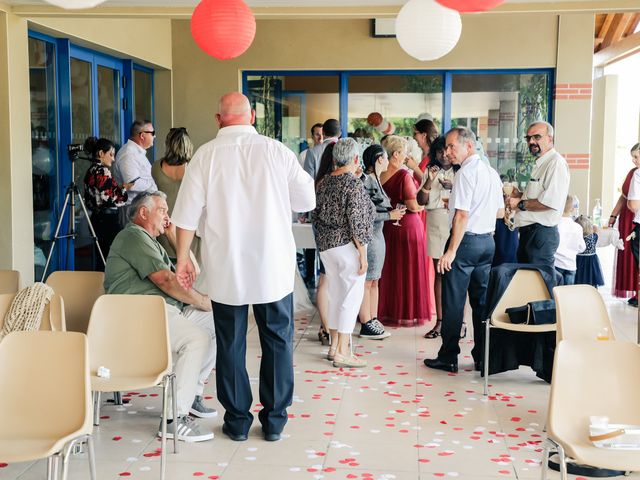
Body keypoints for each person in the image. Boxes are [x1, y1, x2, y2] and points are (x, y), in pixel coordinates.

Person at [172, 92, 315, 443]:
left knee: (230, 344)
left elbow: (185, 218)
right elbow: (306, 200)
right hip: (272, 267)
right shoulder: (277, 151)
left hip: (226, 268)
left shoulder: (204, 156)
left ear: (219, 119)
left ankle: (236, 422)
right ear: (252, 116)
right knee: (277, 341)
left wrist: (181, 261)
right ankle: (275, 421)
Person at [104, 191, 217, 442]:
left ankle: (190, 395)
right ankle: (173, 419)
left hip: (161, 311)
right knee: (196, 339)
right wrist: (202, 302)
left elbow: (192, 272)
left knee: (218, 323)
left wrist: (170, 233)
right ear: (143, 213)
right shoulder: (133, 236)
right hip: (140, 314)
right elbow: (166, 281)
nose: (168, 215)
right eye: (163, 210)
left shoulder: (152, 240)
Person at [424, 127, 503, 374]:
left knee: (453, 302)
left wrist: (450, 251)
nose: (447, 152)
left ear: (468, 146)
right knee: (480, 303)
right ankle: (481, 357)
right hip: (487, 243)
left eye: (451, 147)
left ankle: (448, 356)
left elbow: (461, 215)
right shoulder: (491, 172)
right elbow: (500, 212)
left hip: (465, 242)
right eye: (446, 147)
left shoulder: (466, 174)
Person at [313, 138, 375, 367]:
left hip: (328, 248)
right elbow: (357, 223)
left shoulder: (324, 182)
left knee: (337, 296)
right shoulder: (353, 184)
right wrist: (363, 254)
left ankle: (333, 345)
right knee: (351, 298)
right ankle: (342, 352)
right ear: (356, 159)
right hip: (347, 247)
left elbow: (315, 216)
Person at [377, 135, 433, 326]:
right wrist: (423, 206)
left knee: (391, 271)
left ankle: (389, 311)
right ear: (396, 154)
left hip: (387, 228)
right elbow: (413, 204)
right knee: (408, 272)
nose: (406, 157)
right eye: (404, 153)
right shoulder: (403, 175)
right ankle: (408, 311)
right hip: (408, 228)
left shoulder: (379, 175)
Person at [357, 144, 404, 340]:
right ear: (378, 159)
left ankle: (373, 319)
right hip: (371, 237)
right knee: (367, 282)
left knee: (374, 280)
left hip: (378, 236)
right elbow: (364, 213)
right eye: (385, 158)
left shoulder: (375, 179)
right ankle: (366, 321)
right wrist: (389, 215)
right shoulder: (366, 181)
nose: (388, 161)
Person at [508, 121, 570, 267]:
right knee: (529, 284)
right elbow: (540, 195)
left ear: (550, 138)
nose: (531, 142)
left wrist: (519, 204)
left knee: (540, 285)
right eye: (528, 138)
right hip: (530, 234)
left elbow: (549, 202)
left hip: (540, 235)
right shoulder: (541, 163)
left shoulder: (556, 163)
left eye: (537, 137)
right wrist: (520, 195)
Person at [417, 135, 458, 339]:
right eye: (439, 151)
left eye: (447, 150)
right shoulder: (429, 171)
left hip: (454, 224)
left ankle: (460, 322)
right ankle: (440, 322)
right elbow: (420, 200)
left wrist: (454, 188)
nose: (443, 155)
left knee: (457, 276)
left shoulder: (461, 172)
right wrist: (429, 182)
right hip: (434, 223)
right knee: (439, 274)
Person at [83, 136, 132, 270]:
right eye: (111, 154)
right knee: (112, 258)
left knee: (101, 256)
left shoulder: (90, 171)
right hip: (107, 220)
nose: (113, 158)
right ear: (101, 154)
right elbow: (112, 197)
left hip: (96, 218)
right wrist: (124, 189)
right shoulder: (102, 171)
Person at [151, 127, 196, 260]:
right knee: (190, 262)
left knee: (167, 262)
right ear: (188, 145)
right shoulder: (194, 167)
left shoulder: (156, 167)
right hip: (187, 222)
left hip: (164, 221)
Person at [608, 143, 640, 306]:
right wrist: (613, 215)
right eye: (632, 157)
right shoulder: (632, 173)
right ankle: (635, 291)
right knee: (629, 254)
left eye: (636, 157)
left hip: (636, 217)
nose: (634, 161)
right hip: (626, 218)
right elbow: (624, 196)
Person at [113, 119, 158, 225]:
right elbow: (132, 184)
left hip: (142, 207)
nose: (154, 136)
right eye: (152, 133)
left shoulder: (138, 153)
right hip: (133, 209)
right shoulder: (128, 154)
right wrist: (153, 183)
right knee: (135, 240)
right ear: (142, 135)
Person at [554, 195, 586, 286]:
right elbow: (582, 248)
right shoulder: (578, 227)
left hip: (556, 264)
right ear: (572, 209)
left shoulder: (555, 225)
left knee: (556, 293)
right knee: (568, 293)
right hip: (571, 265)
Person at [574, 215, 605, 288]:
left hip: (579, 262)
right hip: (591, 264)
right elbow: (596, 229)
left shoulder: (577, 238)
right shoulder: (592, 237)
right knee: (591, 281)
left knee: (579, 279)